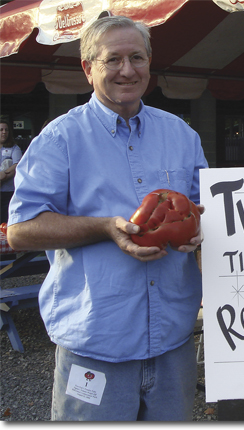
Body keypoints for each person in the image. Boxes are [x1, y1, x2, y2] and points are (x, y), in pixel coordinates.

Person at [7, 16, 208, 421]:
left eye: (136, 57)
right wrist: (103, 227)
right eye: (112, 59)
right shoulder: (60, 138)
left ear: (150, 63)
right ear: (88, 68)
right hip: (97, 345)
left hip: (173, 340)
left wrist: (198, 230)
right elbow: (21, 231)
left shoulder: (181, 135)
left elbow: (208, 210)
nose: (127, 70)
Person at [0, 119, 22, 223]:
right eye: (1, 130)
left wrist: (3, 175)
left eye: (6, 130)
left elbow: (17, 164)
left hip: (8, 192)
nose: (4, 132)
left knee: (6, 220)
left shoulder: (14, 148)